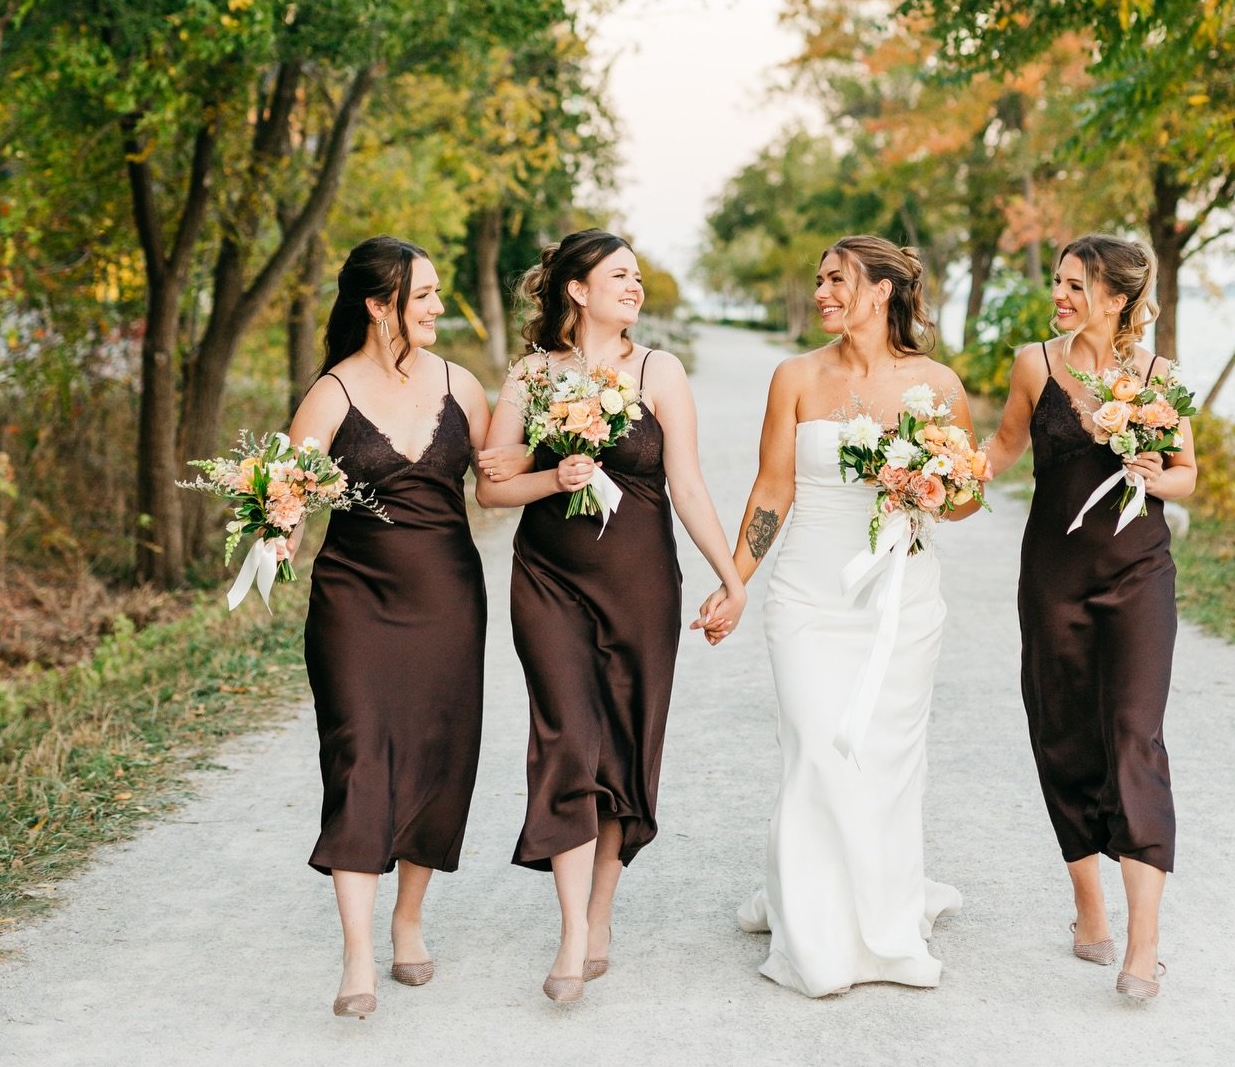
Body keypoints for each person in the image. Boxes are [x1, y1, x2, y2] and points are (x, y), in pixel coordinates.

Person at [476, 229, 746, 1005]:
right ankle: (568, 934)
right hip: (550, 579)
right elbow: (494, 490)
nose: (634, 287)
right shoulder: (531, 376)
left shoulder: (661, 371)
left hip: (640, 585)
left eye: (637, 276)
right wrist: (553, 474)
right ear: (577, 288)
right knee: (566, 739)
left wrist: (731, 578)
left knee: (623, 748)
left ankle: (600, 913)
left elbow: (687, 484)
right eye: (618, 275)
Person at [722, 235, 978, 997]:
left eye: (837, 280)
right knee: (816, 749)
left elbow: (965, 500)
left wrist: (931, 484)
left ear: (881, 292)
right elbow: (773, 489)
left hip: (900, 600)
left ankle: (881, 916)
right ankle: (814, 925)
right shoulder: (795, 377)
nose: (823, 292)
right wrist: (734, 582)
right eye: (820, 280)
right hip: (807, 597)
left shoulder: (938, 383)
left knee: (885, 762)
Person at [983, 234, 1197, 1002]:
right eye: (1061, 281)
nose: (1062, 294)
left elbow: (1188, 475)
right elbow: (1002, 450)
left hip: (1139, 573)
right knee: (1063, 731)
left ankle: (1145, 948)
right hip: (1052, 579)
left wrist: (1155, 473)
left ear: (1117, 299)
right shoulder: (1034, 363)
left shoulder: (1157, 376)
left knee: (1135, 735)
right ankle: (1088, 908)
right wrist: (924, 468)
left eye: (1077, 284)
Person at [283, 237, 489, 1019]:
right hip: (354, 603)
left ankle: (409, 920)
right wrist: (274, 537)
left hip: (447, 600)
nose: (439, 306)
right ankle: (359, 955)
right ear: (379, 305)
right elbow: (288, 498)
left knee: (437, 754)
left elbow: (499, 484)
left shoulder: (463, 386)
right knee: (361, 755)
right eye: (425, 294)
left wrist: (573, 461)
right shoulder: (331, 394)